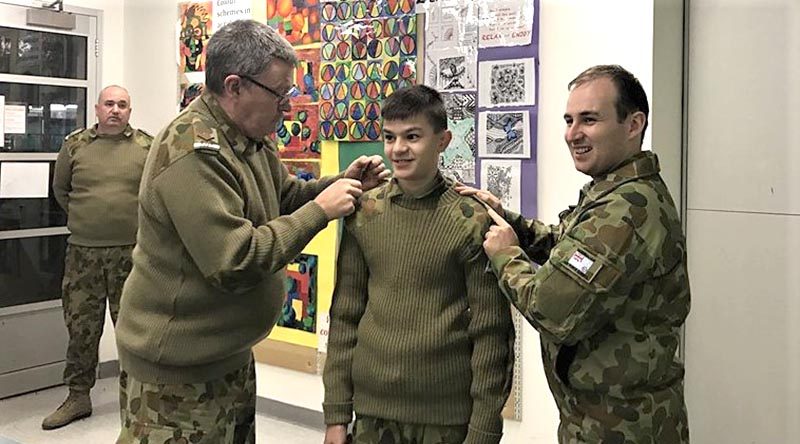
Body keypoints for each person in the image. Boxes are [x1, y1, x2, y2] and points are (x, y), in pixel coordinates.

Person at [113, 20, 388, 444]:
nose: (288, 107)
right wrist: (320, 211)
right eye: (280, 94)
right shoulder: (192, 152)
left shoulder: (247, 136)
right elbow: (233, 259)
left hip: (226, 355)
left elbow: (284, 194)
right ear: (235, 86)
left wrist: (334, 183)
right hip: (177, 376)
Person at [459, 65, 690, 443]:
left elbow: (550, 310)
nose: (572, 134)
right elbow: (573, 251)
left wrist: (506, 255)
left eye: (589, 120)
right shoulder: (614, 193)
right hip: (596, 419)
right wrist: (511, 221)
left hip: (622, 428)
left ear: (633, 125)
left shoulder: (627, 211)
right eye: (569, 120)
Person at [323, 85, 514, 444]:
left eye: (412, 137)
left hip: (446, 419)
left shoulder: (471, 219)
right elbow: (345, 315)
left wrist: (484, 429)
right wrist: (336, 414)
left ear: (442, 140)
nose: (398, 149)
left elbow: (492, 334)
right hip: (372, 415)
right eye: (390, 137)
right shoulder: (364, 213)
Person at [43, 85, 152, 430]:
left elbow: (156, 193)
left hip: (132, 256)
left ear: (130, 112)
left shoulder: (147, 147)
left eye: (122, 104)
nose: (115, 110)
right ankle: (78, 396)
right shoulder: (75, 145)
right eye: (109, 104)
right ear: (97, 108)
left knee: (133, 331)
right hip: (83, 255)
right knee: (81, 329)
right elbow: (62, 191)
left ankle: (137, 402)